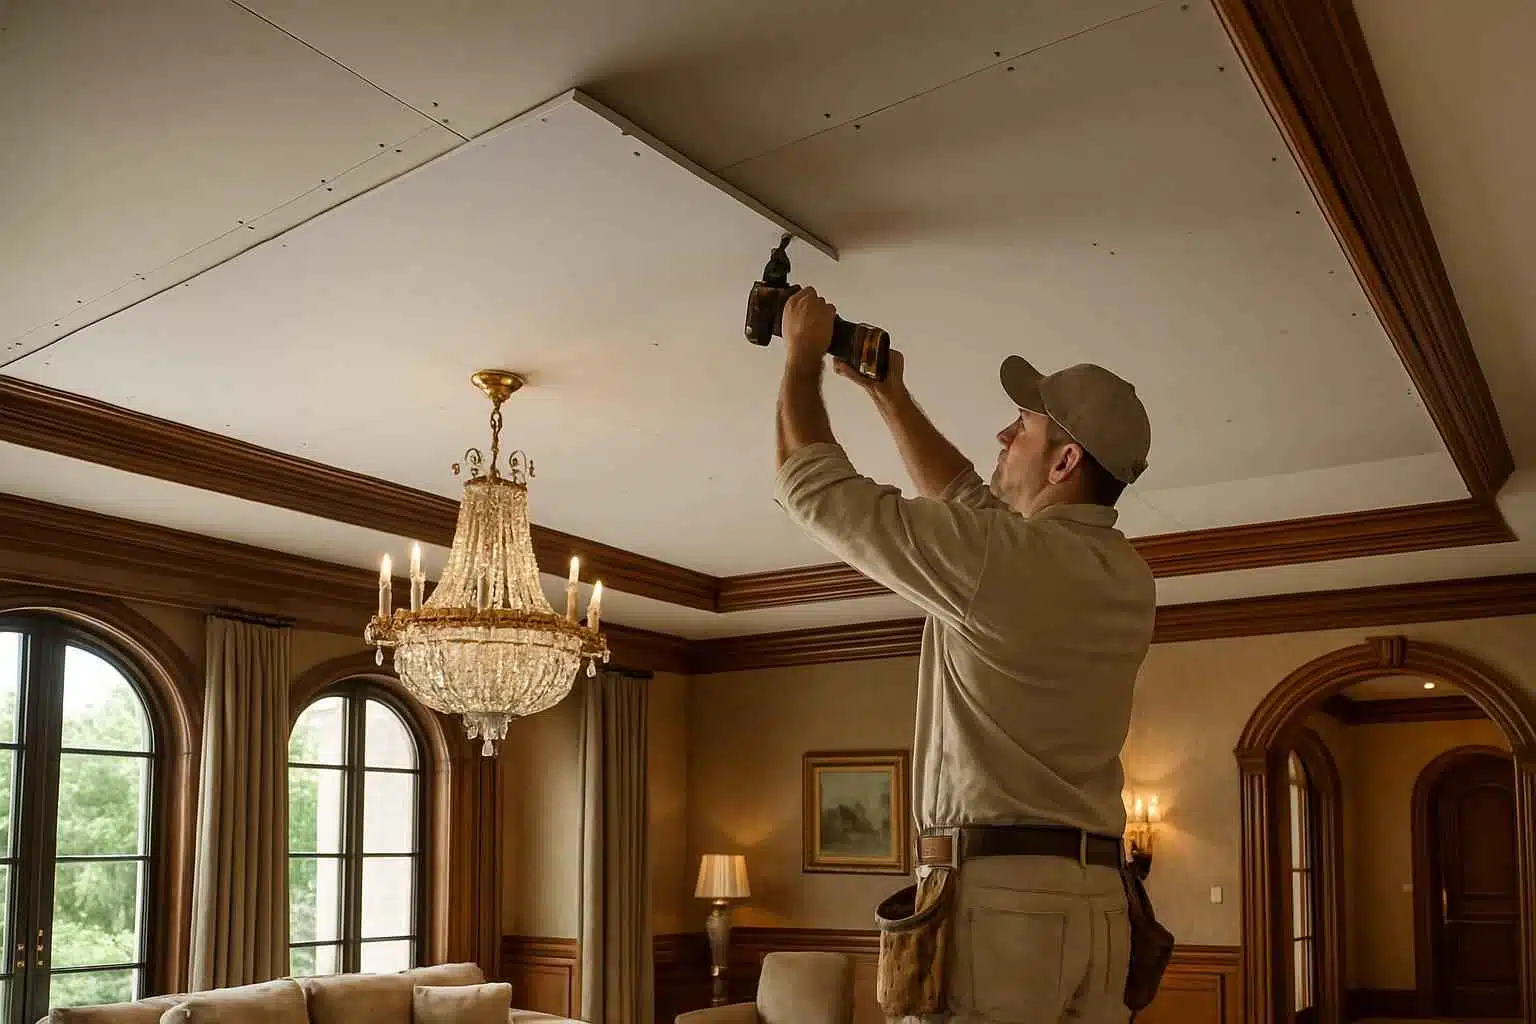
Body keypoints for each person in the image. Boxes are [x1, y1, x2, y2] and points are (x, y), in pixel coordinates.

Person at [772, 288, 1156, 1024]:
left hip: (1004, 913)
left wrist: (800, 359)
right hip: (1104, 908)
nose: (1004, 433)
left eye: (1025, 427)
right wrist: (891, 396)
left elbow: (812, 490)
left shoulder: (1000, 562)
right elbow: (967, 501)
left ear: (1065, 461)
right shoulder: (1125, 576)